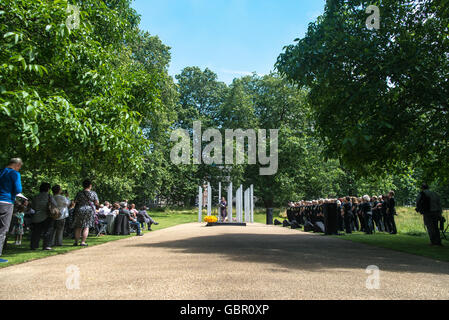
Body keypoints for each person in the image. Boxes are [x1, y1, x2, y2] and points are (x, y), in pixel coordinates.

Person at [0, 158, 23, 262]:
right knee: (3, 229)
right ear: (17, 165)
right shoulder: (14, 174)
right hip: (6, 202)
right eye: (20, 167)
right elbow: (18, 189)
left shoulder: (1, 171)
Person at [73, 179, 99, 247]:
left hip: (80, 209)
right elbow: (96, 203)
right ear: (90, 185)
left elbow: (75, 201)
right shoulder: (93, 193)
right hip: (89, 210)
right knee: (86, 226)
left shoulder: (79, 193)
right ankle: (83, 242)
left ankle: (76, 242)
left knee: (78, 226)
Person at [31, 182, 57, 250]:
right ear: (48, 189)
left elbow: (33, 206)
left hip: (37, 216)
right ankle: (46, 245)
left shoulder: (36, 196)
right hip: (47, 215)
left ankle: (34, 245)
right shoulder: (49, 196)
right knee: (48, 230)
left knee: (36, 232)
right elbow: (54, 204)